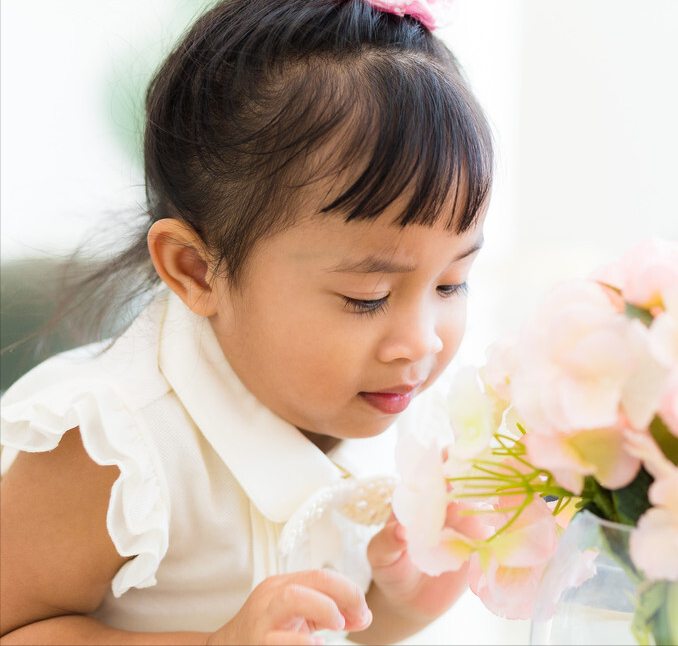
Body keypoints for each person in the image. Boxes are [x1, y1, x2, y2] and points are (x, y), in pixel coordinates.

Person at [0, 0, 493, 643]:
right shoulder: (113, 449)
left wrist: (398, 607)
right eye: (368, 296)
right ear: (197, 271)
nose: (421, 341)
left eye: (452, 283)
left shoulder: (373, 402)